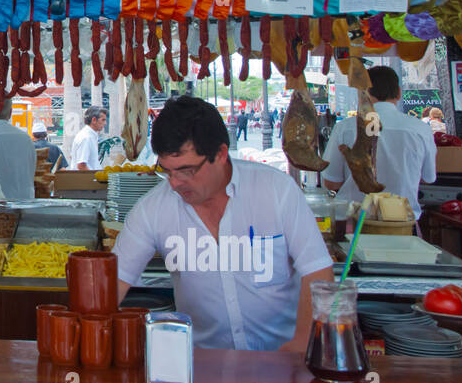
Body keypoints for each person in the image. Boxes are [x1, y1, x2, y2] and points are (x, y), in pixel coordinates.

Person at [112, 96, 332, 351]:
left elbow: (318, 273)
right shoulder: (153, 208)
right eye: (167, 171)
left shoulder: (276, 191)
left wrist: (302, 345)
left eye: (186, 170)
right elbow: (114, 280)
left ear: (221, 154)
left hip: (282, 361)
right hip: (201, 366)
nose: (174, 183)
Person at [322, 66, 437, 219]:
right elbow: (428, 177)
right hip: (402, 224)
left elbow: (331, 182)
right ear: (399, 93)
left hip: (355, 223)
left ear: (365, 93)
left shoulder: (345, 128)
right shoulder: (421, 129)